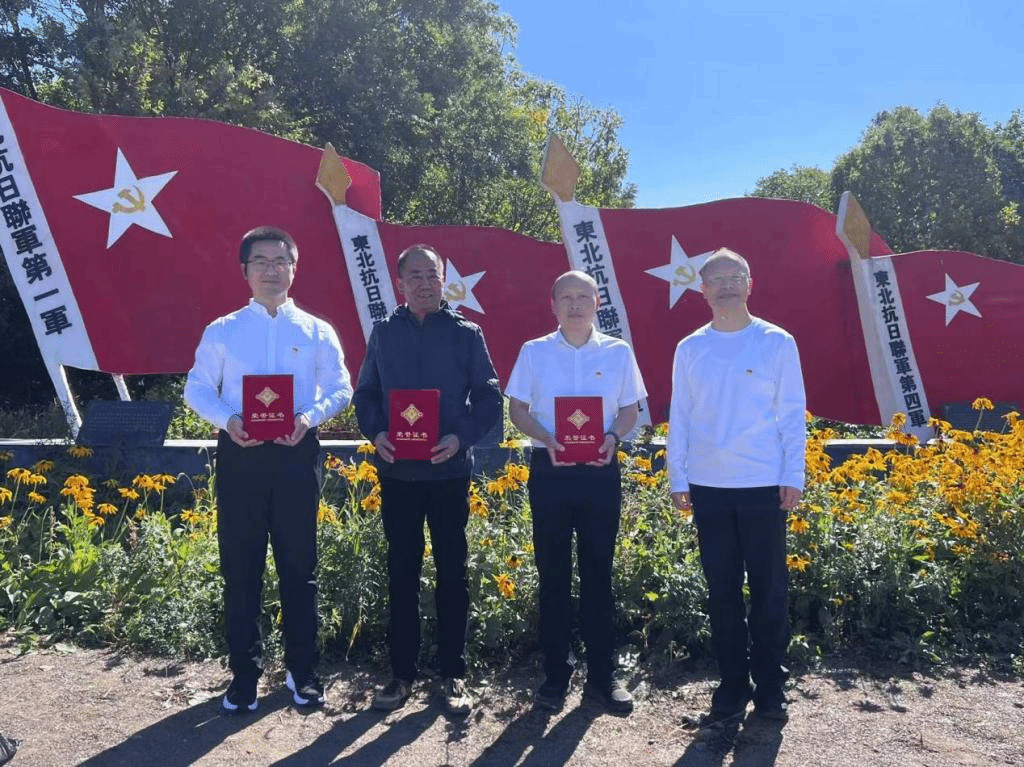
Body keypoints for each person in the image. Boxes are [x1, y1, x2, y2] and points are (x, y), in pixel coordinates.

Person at [184, 226, 352, 714]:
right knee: (241, 569)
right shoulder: (223, 330)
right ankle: (245, 676)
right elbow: (197, 389)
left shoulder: (317, 330)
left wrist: (308, 418)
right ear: (245, 270)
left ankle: (304, 672)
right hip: (242, 454)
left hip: (297, 455)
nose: (272, 270)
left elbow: (340, 388)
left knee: (300, 569)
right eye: (261, 261)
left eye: (281, 261)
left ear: (294, 269)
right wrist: (228, 420)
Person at [353, 244, 502, 716]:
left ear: (443, 281)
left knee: (452, 572)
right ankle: (401, 674)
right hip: (398, 472)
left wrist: (460, 438)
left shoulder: (466, 334)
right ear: (400, 283)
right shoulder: (384, 333)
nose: (424, 284)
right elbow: (366, 395)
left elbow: (489, 398)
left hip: (448, 471)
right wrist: (377, 433)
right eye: (414, 276)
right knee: (402, 571)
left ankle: (453, 673)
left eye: (432, 275)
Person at [666, 247, 805, 725]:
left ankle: (770, 686)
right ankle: (731, 684)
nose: (726, 285)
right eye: (717, 279)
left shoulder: (776, 342)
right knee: (721, 590)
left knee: (769, 591)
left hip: (764, 483)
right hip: (708, 484)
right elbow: (681, 415)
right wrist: (678, 475)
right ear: (702, 290)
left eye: (735, 276)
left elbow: (792, 412)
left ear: (750, 284)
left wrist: (793, 474)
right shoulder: (690, 348)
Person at [505, 270, 647, 714]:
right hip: (550, 469)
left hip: (600, 470)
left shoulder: (618, 352)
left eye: (583, 296)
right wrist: (546, 438)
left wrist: (613, 438)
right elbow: (517, 409)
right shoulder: (534, 351)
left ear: (597, 302)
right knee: (553, 574)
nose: (575, 305)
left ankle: (603, 677)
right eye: (565, 297)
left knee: (599, 574)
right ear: (552, 304)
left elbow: (629, 410)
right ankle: (555, 675)